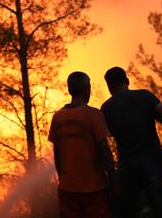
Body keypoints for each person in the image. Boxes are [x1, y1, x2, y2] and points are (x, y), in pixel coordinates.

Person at [101, 66, 162, 218]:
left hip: (127, 168)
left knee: (128, 211)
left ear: (109, 87)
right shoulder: (144, 96)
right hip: (153, 163)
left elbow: (106, 135)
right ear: (127, 81)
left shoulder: (106, 108)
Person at [49, 71, 116, 218]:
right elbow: (104, 150)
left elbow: (57, 155)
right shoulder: (94, 115)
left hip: (67, 190)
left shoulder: (58, 117)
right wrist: (113, 178)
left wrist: (63, 179)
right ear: (87, 89)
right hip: (94, 189)